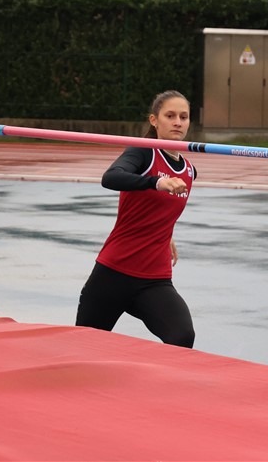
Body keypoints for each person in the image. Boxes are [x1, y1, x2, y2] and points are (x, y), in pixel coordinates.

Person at [76, 90, 197, 347]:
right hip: (114, 273)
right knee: (84, 346)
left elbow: (161, 210)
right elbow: (111, 178)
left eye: (183, 117)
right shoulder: (143, 152)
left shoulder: (189, 171)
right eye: (170, 116)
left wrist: (166, 232)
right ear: (154, 120)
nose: (177, 122)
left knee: (182, 336)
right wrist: (157, 182)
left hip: (154, 279)